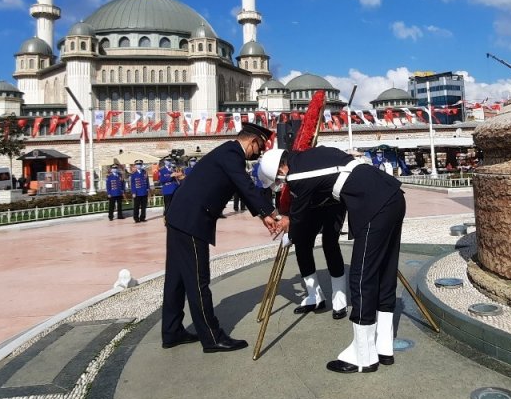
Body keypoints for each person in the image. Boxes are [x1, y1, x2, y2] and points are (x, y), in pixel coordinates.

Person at [259, 146, 405, 374]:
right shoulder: (313, 155)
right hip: (392, 195)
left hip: (373, 205)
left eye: (280, 178)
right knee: (385, 271)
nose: (282, 182)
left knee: (361, 277)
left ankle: (363, 355)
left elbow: (299, 214)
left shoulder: (296, 174)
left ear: (281, 169)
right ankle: (383, 345)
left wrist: (290, 232)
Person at [161, 122, 282, 353]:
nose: (258, 154)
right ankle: (212, 337)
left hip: (181, 217)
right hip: (191, 222)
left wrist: (263, 215)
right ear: (253, 141)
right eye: (259, 148)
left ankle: (172, 330)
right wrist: (271, 212)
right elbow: (246, 185)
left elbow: (241, 188)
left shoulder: (227, 154)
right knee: (198, 281)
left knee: (176, 279)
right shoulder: (231, 153)